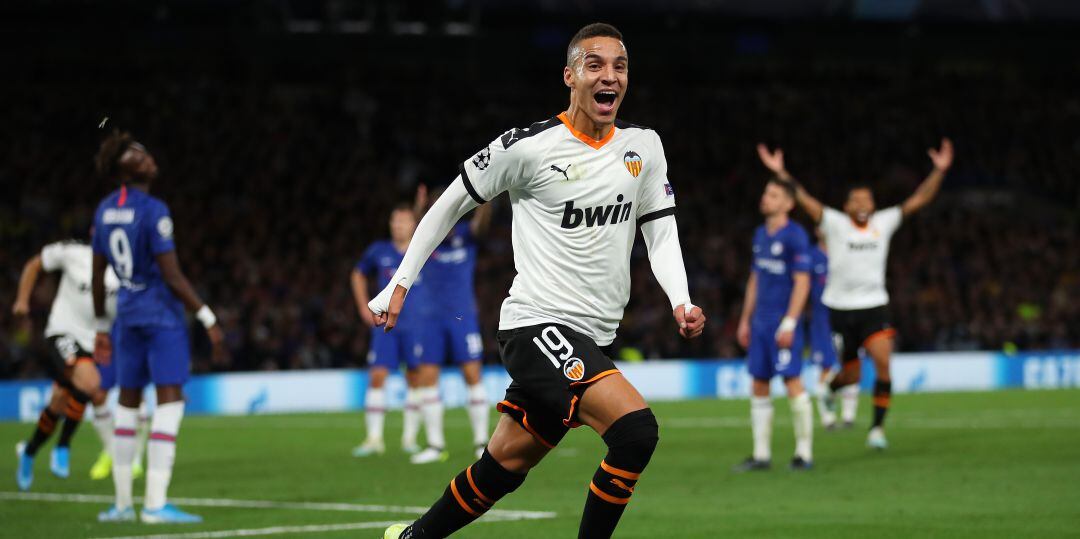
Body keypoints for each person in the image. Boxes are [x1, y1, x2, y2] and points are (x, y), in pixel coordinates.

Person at [371, 23, 705, 539]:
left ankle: (414, 538)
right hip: (536, 326)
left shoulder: (644, 148)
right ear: (569, 76)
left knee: (502, 465)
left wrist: (681, 300)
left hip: (591, 336)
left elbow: (660, 231)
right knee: (636, 432)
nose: (609, 76)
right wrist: (400, 282)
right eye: (595, 65)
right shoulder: (526, 148)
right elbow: (450, 203)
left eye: (619, 66)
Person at [756, 137, 954, 449]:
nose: (863, 205)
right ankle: (831, 389)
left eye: (867, 200)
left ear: (873, 205)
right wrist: (781, 173)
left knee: (883, 362)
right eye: (856, 201)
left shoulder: (883, 222)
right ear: (847, 205)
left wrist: (939, 171)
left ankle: (876, 429)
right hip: (840, 309)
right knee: (850, 376)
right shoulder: (833, 223)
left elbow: (919, 199)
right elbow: (803, 198)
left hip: (874, 306)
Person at [91, 130, 226, 523]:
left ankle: (120, 505)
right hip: (160, 316)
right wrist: (207, 316)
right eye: (137, 155)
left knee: (127, 403)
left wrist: (102, 325)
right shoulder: (153, 210)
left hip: (126, 317)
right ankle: (153, 505)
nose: (147, 157)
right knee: (169, 402)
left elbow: (99, 275)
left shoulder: (103, 210)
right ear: (124, 168)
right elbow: (172, 276)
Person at [12, 239, 119, 490]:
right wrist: (22, 300)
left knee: (59, 401)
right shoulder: (74, 253)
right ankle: (63, 446)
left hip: (94, 343)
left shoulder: (127, 270)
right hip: (62, 333)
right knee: (91, 383)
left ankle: (29, 451)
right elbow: (35, 264)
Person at [734, 179, 814, 471]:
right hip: (760, 324)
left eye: (774, 194)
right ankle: (761, 455)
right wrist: (745, 319)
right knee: (759, 381)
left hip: (783, 323)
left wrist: (790, 323)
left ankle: (803, 454)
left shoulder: (795, 236)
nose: (766, 198)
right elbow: (755, 279)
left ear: (788, 204)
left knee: (792, 379)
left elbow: (802, 283)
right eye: (766, 192)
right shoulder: (760, 234)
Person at [411, 184, 494, 462]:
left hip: (462, 317)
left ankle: (482, 444)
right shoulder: (427, 238)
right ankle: (435, 446)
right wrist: (419, 209)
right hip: (430, 319)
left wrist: (486, 195)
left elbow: (481, 225)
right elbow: (415, 228)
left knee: (473, 376)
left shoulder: (465, 236)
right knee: (427, 379)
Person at [351, 202, 430, 458]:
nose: (398, 226)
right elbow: (357, 275)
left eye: (404, 221)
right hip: (384, 324)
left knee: (415, 378)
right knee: (377, 376)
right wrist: (364, 307)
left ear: (413, 224)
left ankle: (409, 438)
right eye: (395, 221)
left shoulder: (421, 249)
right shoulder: (379, 250)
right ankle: (374, 439)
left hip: (415, 324)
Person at [805, 232, 848, 429]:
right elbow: (802, 285)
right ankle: (827, 418)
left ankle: (848, 415)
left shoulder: (842, 252)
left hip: (843, 315)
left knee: (847, 363)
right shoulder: (811, 256)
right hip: (821, 320)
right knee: (825, 367)